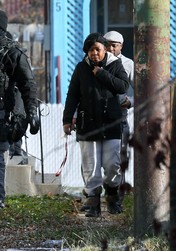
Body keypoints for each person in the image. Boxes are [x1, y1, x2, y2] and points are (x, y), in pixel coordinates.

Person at [0, 10, 40, 210]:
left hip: (1, 111)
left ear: (1, 26)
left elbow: (27, 84)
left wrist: (30, 112)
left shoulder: (13, 53)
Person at [62, 32, 129, 217]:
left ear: (105, 49)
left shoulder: (115, 65)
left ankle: (113, 196)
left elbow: (122, 86)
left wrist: (101, 74)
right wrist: (67, 120)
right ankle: (93, 202)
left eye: (98, 49)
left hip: (111, 123)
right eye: (91, 50)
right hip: (87, 124)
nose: (94, 54)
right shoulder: (80, 68)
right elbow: (72, 95)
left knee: (112, 164)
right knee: (90, 165)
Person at [103, 30, 134, 201]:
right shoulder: (96, 62)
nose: (110, 49)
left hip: (120, 116)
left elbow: (142, 91)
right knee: (102, 157)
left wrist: (131, 102)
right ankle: (106, 190)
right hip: (100, 115)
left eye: (114, 45)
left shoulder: (128, 64)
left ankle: (118, 195)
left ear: (121, 46)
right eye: (107, 45)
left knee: (119, 157)